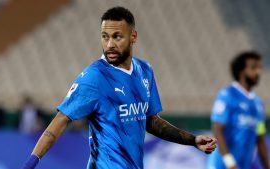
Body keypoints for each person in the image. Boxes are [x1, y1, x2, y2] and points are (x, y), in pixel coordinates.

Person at [22, 6, 217, 169]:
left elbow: (151, 121)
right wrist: (31, 163)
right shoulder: (94, 77)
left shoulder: (144, 70)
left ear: (133, 36)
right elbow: (62, 119)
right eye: (105, 37)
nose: (109, 44)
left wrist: (192, 140)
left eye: (117, 37)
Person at [208, 51, 269, 169]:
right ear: (241, 71)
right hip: (222, 165)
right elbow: (217, 129)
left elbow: (260, 137)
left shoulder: (258, 104)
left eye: (259, 68)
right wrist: (230, 163)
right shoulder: (227, 95)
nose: (258, 72)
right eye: (253, 67)